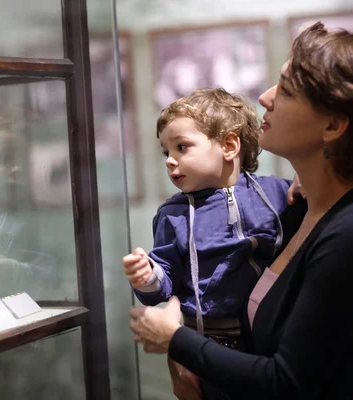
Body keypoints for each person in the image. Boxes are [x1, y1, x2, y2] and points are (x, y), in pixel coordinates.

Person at [129, 21, 353, 400]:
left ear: (332, 125)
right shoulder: (302, 209)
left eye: (288, 90)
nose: (265, 97)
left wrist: (177, 342)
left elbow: (288, 383)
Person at [122, 88, 295, 399]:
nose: (170, 161)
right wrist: (146, 275)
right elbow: (163, 282)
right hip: (208, 347)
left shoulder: (276, 194)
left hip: (271, 341)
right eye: (166, 152)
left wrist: (303, 184)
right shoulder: (172, 215)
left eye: (182, 147)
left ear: (229, 145)